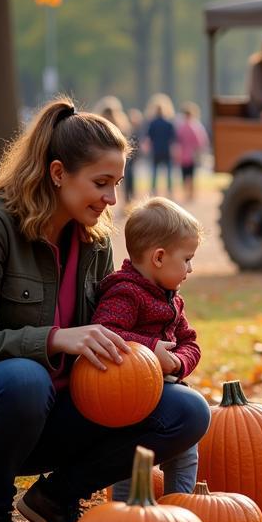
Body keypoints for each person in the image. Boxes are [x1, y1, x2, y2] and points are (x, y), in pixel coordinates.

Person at [0, 99, 211, 522]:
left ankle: (56, 498)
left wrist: (151, 358)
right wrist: (54, 339)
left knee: (186, 410)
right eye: (101, 183)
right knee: (24, 378)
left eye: (117, 184)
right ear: (56, 174)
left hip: (55, 410)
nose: (112, 199)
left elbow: (107, 334)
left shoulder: (96, 240)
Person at [95, 198, 204, 502]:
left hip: (166, 391)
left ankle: (178, 510)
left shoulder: (171, 298)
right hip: (129, 397)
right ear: (159, 257)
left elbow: (190, 342)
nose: (191, 268)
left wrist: (178, 364)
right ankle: (125, 515)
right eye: (187, 259)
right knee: (130, 459)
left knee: (185, 450)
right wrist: (151, 350)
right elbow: (106, 332)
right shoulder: (124, 293)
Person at [94, 97, 132, 213]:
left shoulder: (98, 123)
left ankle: (106, 207)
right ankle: (126, 203)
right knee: (122, 181)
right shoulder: (121, 122)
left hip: (102, 160)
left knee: (105, 183)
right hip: (119, 159)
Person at [175, 102, 210, 202]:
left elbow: (178, 141)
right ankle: (191, 193)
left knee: (185, 175)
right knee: (191, 175)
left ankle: (187, 193)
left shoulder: (182, 127)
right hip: (191, 155)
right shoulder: (196, 126)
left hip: (185, 155)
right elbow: (201, 141)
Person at [145, 95, 176, 196]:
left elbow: (149, 138)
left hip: (156, 151)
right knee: (168, 173)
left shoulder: (153, 123)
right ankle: (169, 191)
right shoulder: (168, 123)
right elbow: (173, 138)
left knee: (154, 172)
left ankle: (154, 190)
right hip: (166, 150)